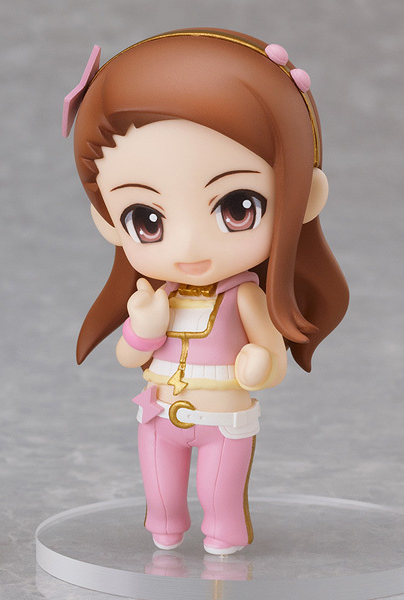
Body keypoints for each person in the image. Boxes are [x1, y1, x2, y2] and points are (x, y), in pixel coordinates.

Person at [63, 29, 349, 555]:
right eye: (146, 219)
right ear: (106, 221)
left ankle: (222, 541)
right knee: (161, 497)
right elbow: (129, 355)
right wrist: (145, 329)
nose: (190, 245)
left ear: (304, 197)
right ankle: (165, 531)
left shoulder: (245, 297)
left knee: (220, 498)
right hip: (158, 413)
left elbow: (272, 361)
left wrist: (258, 366)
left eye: (237, 208)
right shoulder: (157, 297)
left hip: (224, 417)